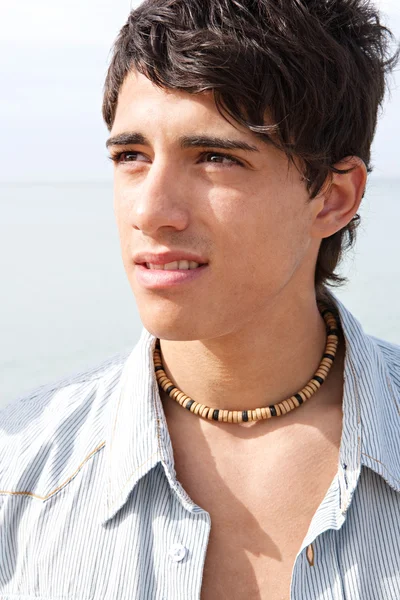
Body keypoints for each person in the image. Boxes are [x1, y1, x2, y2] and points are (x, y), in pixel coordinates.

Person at [1, 0, 400, 598]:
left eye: (215, 157)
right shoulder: (18, 472)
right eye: (131, 157)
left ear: (333, 198)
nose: (150, 212)